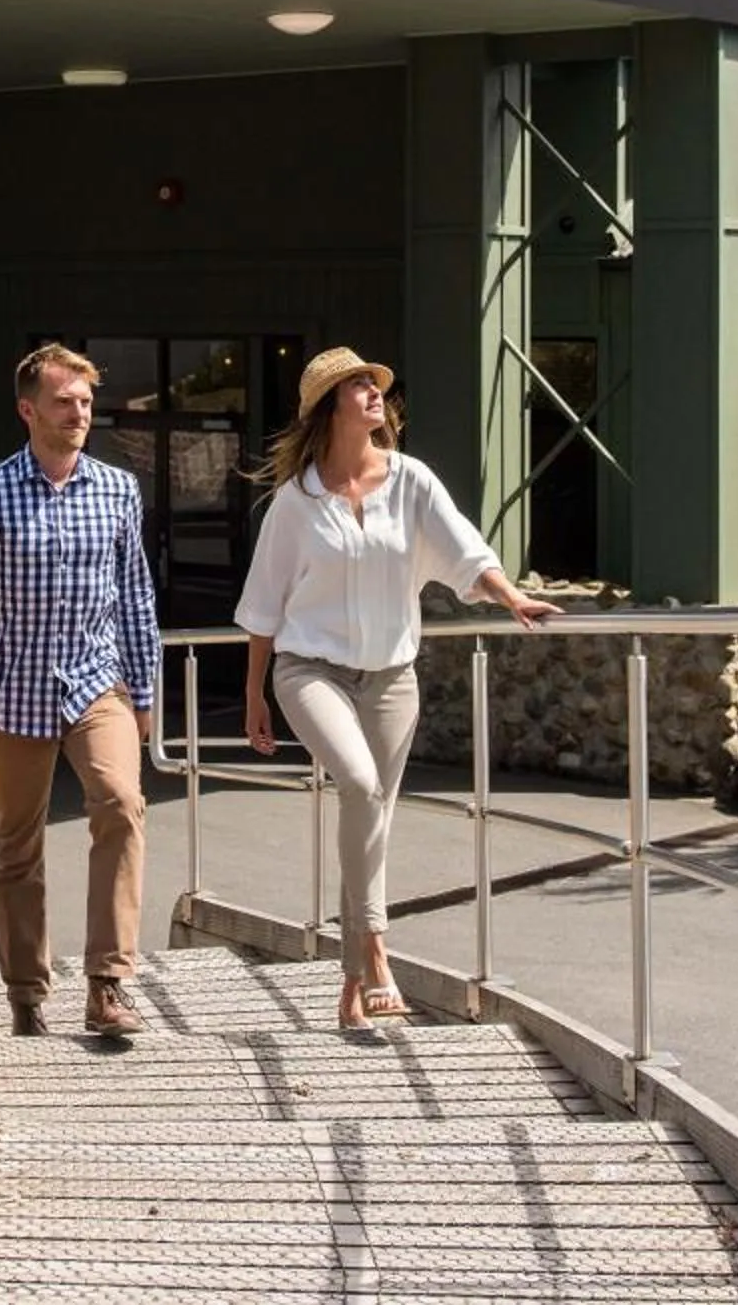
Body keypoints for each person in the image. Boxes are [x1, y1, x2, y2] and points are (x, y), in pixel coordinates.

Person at [237, 346, 560, 1028]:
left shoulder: (410, 480)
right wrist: (254, 694)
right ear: (330, 409)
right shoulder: (294, 504)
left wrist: (510, 598)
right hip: (309, 670)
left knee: (374, 816)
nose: (373, 392)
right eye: (357, 386)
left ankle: (352, 983)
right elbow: (264, 609)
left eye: (373, 383)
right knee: (359, 786)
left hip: (392, 678)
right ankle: (378, 949)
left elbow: (463, 550)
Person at [0, 342, 160, 1038]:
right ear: (28, 409)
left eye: (87, 401)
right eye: (65, 401)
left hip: (98, 683)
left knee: (120, 803)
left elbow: (136, 597)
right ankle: (27, 994)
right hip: (13, 691)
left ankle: (108, 984)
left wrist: (144, 695)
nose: (80, 412)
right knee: (17, 844)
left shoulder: (118, 489)